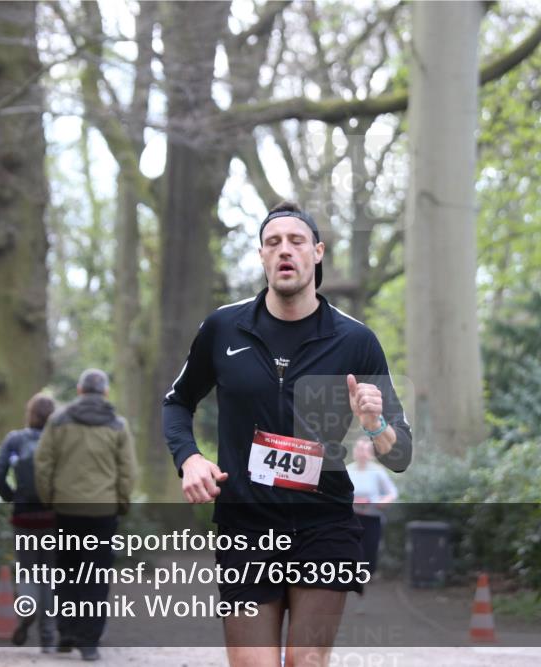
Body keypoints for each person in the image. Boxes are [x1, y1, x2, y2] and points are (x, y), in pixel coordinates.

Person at [163, 201, 412, 667]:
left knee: (306, 661)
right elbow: (177, 402)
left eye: (296, 241)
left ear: (317, 252)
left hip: (324, 525)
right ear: (261, 256)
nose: (285, 250)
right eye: (273, 242)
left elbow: (400, 454)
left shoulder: (355, 340)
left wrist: (375, 424)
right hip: (246, 527)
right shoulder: (224, 328)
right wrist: (189, 458)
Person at [34, 369, 137, 662]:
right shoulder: (118, 425)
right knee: (96, 576)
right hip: (103, 512)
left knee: (67, 570)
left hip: (66, 509)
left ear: (79, 391)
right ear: (105, 392)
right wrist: (121, 503)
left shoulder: (58, 421)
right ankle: (89, 642)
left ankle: (66, 633)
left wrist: (49, 499)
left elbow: (43, 464)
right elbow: (127, 471)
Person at [0, 392, 58, 651]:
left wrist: (13, 497)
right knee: (50, 575)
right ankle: (48, 636)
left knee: (28, 570)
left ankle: (27, 609)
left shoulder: (14, 439)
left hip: (24, 516)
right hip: (53, 517)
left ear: (30, 414)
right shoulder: (60, 440)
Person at [345, 437, 398, 613]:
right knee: (351, 556)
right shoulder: (348, 470)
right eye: (359, 449)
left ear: (371, 453)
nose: (361, 453)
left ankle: (362, 592)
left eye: (365, 450)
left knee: (368, 559)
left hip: (371, 520)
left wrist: (382, 502)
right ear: (354, 452)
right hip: (351, 520)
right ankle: (351, 591)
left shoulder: (377, 472)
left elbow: (392, 493)